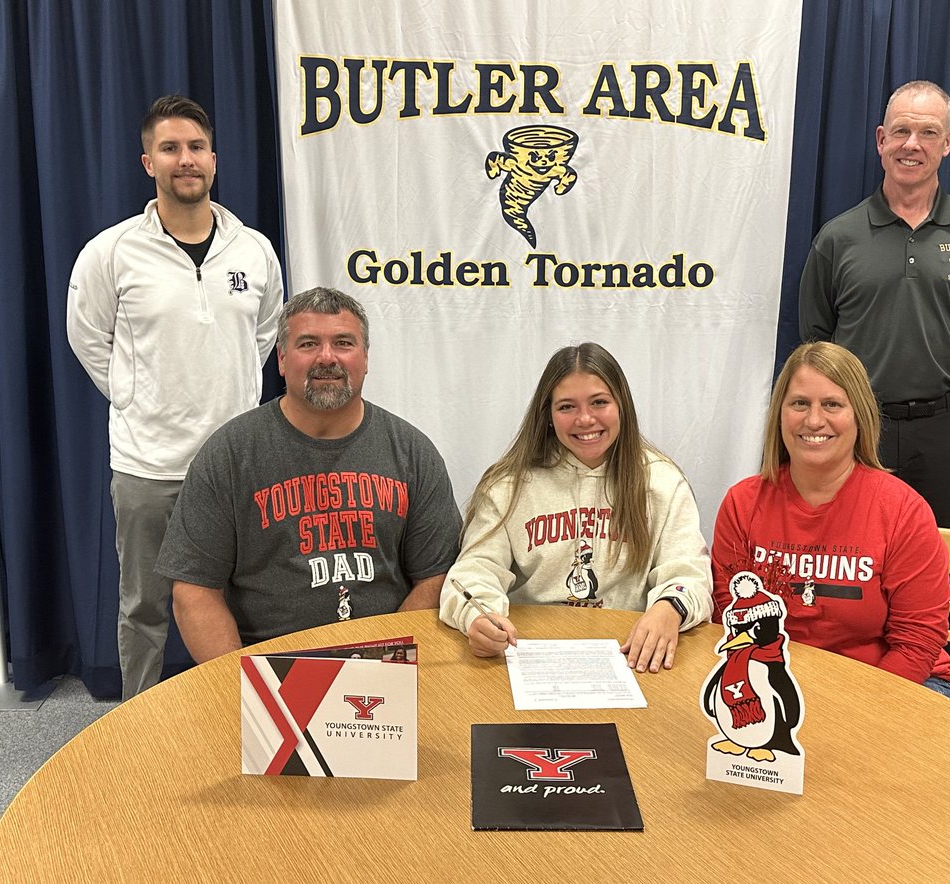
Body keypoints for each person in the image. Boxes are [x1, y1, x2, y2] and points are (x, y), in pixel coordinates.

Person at [67, 95, 283, 699]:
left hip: (237, 466)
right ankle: (139, 720)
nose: (183, 159)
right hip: (147, 464)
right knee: (144, 608)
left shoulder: (254, 249)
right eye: (169, 148)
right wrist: (136, 396)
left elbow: (265, 332)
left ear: (213, 160)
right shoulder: (111, 252)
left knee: (243, 601)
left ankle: (241, 718)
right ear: (147, 162)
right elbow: (86, 336)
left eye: (194, 148)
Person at [156, 287, 462, 662]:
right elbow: (194, 590)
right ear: (282, 360)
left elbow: (436, 576)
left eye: (344, 343)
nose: (327, 357)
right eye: (308, 344)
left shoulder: (412, 452)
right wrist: (241, 685)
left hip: (385, 666)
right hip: (267, 668)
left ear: (365, 359)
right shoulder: (229, 455)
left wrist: (389, 664)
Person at [798, 80, 950, 528]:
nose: (912, 145)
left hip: (944, 430)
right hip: (857, 425)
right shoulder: (838, 238)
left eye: (928, 133)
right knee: (850, 557)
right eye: (901, 131)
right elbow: (817, 340)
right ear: (881, 139)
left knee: (939, 555)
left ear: (948, 143)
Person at [439, 343, 713, 674]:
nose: (585, 419)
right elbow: (473, 572)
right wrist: (479, 616)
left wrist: (669, 607)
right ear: (548, 416)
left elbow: (689, 573)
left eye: (599, 402)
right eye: (567, 406)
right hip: (530, 657)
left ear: (621, 405)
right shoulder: (508, 486)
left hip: (630, 658)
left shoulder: (662, 482)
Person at [711, 342, 950, 698]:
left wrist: (846, 715)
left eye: (832, 404)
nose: (813, 420)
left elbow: (917, 644)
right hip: (779, 683)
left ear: (859, 415)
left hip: (898, 683)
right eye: (799, 403)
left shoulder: (904, 510)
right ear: (779, 414)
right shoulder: (742, 503)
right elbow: (730, 617)